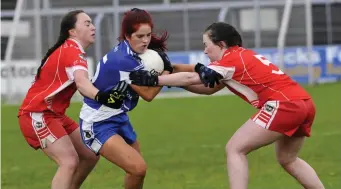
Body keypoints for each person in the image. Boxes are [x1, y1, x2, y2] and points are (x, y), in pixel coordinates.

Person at [129, 22, 325, 189]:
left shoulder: (230, 59)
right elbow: (209, 88)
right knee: (288, 159)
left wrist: (153, 80)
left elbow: (190, 76)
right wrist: (169, 80)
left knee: (235, 149)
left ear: (221, 44)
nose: (205, 50)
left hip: (284, 105)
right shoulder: (240, 57)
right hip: (305, 104)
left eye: (207, 45)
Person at [18, 10, 126, 189]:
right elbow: (82, 83)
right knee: (68, 161)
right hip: (37, 114)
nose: (92, 27)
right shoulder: (72, 50)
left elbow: (85, 84)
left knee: (90, 155)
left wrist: (105, 94)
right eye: (87, 23)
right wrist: (102, 96)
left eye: (92, 23)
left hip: (53, 115)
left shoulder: (72, 50)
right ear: (72, 32)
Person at [78, 8, 173, 189]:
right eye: (140, 36)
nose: (146, 41)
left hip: (118, 116)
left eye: (148, 35)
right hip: (98, 121)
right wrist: (167, 71)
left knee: (137, 171)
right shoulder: (123, 60)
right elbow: (149, 94)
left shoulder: (133, 51)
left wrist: (198, 69)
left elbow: (170, 68)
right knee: (138, 169)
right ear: (127, 36)